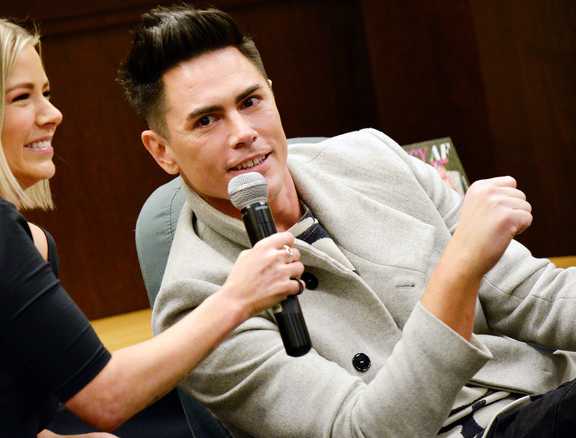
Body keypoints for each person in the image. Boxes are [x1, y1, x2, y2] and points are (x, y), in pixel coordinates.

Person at [118, 5, 576, 438]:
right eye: (206, 121)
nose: (242, 132)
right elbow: (364, 431)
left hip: (546, 397)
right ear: (162, 151)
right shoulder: (199, 307)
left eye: (251, 101)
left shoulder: (372, 157)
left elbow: (538, 299)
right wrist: (458, 270)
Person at [0, 12, 304, 438]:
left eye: (46, 92)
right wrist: (238, 296)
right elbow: (105, 398)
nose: (53, 113)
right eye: (23, 98)